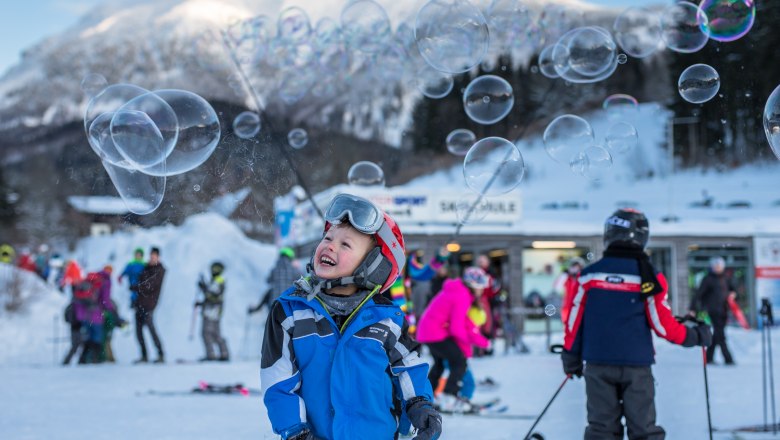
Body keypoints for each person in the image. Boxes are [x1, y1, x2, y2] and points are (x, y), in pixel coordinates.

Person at [261, 193, 440, 440]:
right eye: (328, 237)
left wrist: (420, 404)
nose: (330, 245)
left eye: (346, 244)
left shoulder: (387, 320)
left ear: (373, 266)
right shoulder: (291, 312)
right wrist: (294, 431)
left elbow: (409, 367)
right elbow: (277, 379)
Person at [562, 209, 712, 440]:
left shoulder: (588, 275)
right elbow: (663, 326)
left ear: (609, 234)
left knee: (601, 430)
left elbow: (574, 322)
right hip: (636, 366)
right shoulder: (649, 277)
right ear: (641, 236)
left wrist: (570, 357)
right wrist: (694, 336)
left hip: (598, 363)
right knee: (643, 430)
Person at [416, 266, 491, 413]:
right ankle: (449, 396)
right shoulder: (462, 295)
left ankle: (426, 398)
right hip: (434, 333)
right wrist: (466, 342)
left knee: (439, 365)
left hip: (427, 331)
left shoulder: (458, 291)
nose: (482, 290)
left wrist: (477, 340)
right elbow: (456, 328)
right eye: (481, 286)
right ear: (473, 285)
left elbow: (459, 322)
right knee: (459, 361)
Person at [689, 256, 737, 365]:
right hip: (712, 309)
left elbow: (733, 288)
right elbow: (698, 294)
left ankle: (709, 358)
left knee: (717, 335)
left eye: (719, 266)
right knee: (721, 334)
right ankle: (728, 359)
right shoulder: (708, 279)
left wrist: (733, 293)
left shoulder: (726, 278)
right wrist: (693, 308)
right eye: (716, 266)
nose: (718, 268)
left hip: (724, 309)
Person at [248, 247, 302, 315]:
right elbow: (301, 280)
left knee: (270, 291)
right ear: (290, 258)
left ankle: (258, 308)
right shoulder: (294, 270)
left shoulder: (275, 269)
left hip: (274, 304)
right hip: (289, 303)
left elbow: (268, 280)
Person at [135, 247, 166, 364]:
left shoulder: (160, 270)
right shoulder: (146, 268)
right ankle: (144, 355)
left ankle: (160, 353)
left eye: (154, 256)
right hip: (139, 303)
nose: (152, 258)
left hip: (150, 304)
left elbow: (150, 285)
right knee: (138, 331)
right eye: (151, 256)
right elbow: (139, 281)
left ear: (158, 257)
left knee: (151, 328)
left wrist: (137, 287)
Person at [196, 261, 229, 361]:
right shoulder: (217, 280)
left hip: (211, 311)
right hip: (214, 311)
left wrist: (203, 288)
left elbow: (213, 296)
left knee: (206, 333)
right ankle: (223, 353)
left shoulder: (218, 281)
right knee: (215, 333)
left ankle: (212, 354)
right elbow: (211, 295)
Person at [559, 257, 585, 324]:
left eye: (577, 267)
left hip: (579, 309)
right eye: (573, 267)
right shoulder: (567, 279)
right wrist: (564, 274)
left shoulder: (582, 279)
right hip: (566, 308)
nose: (575, 269)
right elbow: (557, 287)